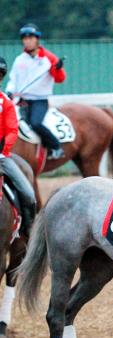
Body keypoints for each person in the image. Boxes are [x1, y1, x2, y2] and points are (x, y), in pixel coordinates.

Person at [6, 23, 66, 159]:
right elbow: (13, 79)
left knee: (36, 123)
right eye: (25, 38)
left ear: (37, 39)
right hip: (22, 100)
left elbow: (60, 79)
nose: (27, 41)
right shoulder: (19, 60)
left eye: (31, 38)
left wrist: (58, 69)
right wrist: (9, 91)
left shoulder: (49, 58)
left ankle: (56, 147)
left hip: (39, 100)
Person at [0, 56, 36, 237]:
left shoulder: (5, 103)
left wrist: (3, 147)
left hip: (1, 157)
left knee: (29, 194)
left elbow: (12, 129)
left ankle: (28, 231)